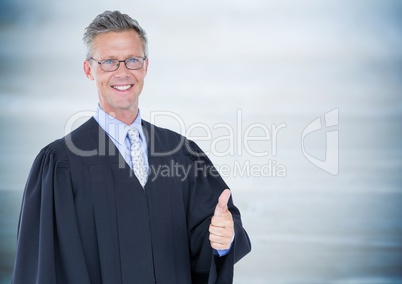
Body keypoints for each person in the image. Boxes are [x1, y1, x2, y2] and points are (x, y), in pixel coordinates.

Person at [11, 10, 251, 284]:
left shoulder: (181, 154)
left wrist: (223, 240)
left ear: (146, 67)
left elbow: (207, 240)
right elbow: (43, 268)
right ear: (89, 69)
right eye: (109, 62)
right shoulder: (59, 164)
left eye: (133, 60)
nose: (122, 72)